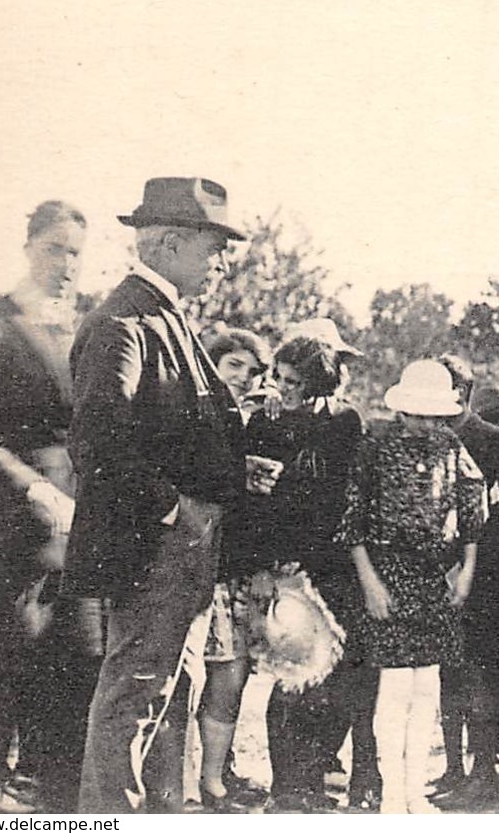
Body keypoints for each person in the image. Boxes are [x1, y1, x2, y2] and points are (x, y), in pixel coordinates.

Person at [63, 177, 249, 813]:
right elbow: (97, 442)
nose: (221, 261)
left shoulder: (163, 316)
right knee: (134, 703)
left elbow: (178, 431)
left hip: (184, 554)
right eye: (214, 246)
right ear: (170, 243)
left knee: (172, 698)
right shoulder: (122, 323)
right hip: (153, 552)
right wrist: (175, 507)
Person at [0, 200, 97, 813]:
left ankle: (63, 811)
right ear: (29, 245)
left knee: (81, 677)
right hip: (9, 529)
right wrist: (32, 487)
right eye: (55, 248)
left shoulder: (88, 327)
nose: (66, 264)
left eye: (76, 253)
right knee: (13, 678)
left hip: (82, 528)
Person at [339, 359, 485, 814]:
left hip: (432, 577)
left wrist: (467, 569)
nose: (425, 424)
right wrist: (370, 584)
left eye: (433, 415)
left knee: (428, 686)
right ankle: (392, 795)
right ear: (401, 410)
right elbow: (353, 519)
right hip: (388, 572)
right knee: (396, 686)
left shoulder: (450, 444)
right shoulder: (375, 445)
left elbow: (472, 508)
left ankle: (414, 792)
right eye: (416, 414)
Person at [245, 336, 366, 813]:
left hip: (331, 563)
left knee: (333, 677)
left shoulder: (345, 422)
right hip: (285, 562)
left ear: (319, 381)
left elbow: (344, 496)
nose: (282, 388)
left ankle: (313, 779)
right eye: (279, 378)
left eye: (294, 381)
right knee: (291, 674)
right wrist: (269, 563)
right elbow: (256, 502)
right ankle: (287, 788)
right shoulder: (264, 422)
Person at [193, 326, 278, 812]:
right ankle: (205, 784)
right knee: (217, 676)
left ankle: (216, 772)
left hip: (237, 566)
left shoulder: (249, 419)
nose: (244, 378)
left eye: (253, 371)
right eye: (234, 367)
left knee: (234, 675)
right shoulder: (200, 414)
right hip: (207, 564)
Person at [428, 354, 499, 805]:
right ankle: (453, 768)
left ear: (460, 390)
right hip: (438, 570)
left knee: (483, 668)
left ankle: (483, 769)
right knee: (448, 672)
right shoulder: (424, 434)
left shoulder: (489, 438)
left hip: (485, 572)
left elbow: (498, 510)